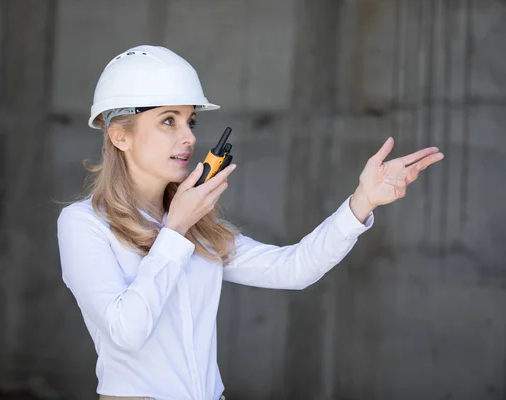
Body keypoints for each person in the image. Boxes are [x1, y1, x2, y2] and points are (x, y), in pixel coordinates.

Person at [56, 45, 444, 400]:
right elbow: (127, 332)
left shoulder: (195, 225)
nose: (189, 137)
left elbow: (292, 268)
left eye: (191, 121)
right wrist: (174, 231)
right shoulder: (83, 224)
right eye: (168, 121)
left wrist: (362, 201)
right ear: (120, 136)